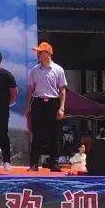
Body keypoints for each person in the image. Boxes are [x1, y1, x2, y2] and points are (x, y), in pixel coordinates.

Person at [26, 42, 67, 172]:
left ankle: (54, 163)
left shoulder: (58, 69)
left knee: (54, 134)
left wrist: (61, 108)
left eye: (40, 52)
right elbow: (31, 89)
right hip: (38, 103)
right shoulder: (34, 70)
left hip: (53, 103)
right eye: (37, 52)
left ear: (48, 54)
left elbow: (62, 90)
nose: (38, 54)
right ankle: (33, 164)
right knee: (37, 135)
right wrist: (28, 106)